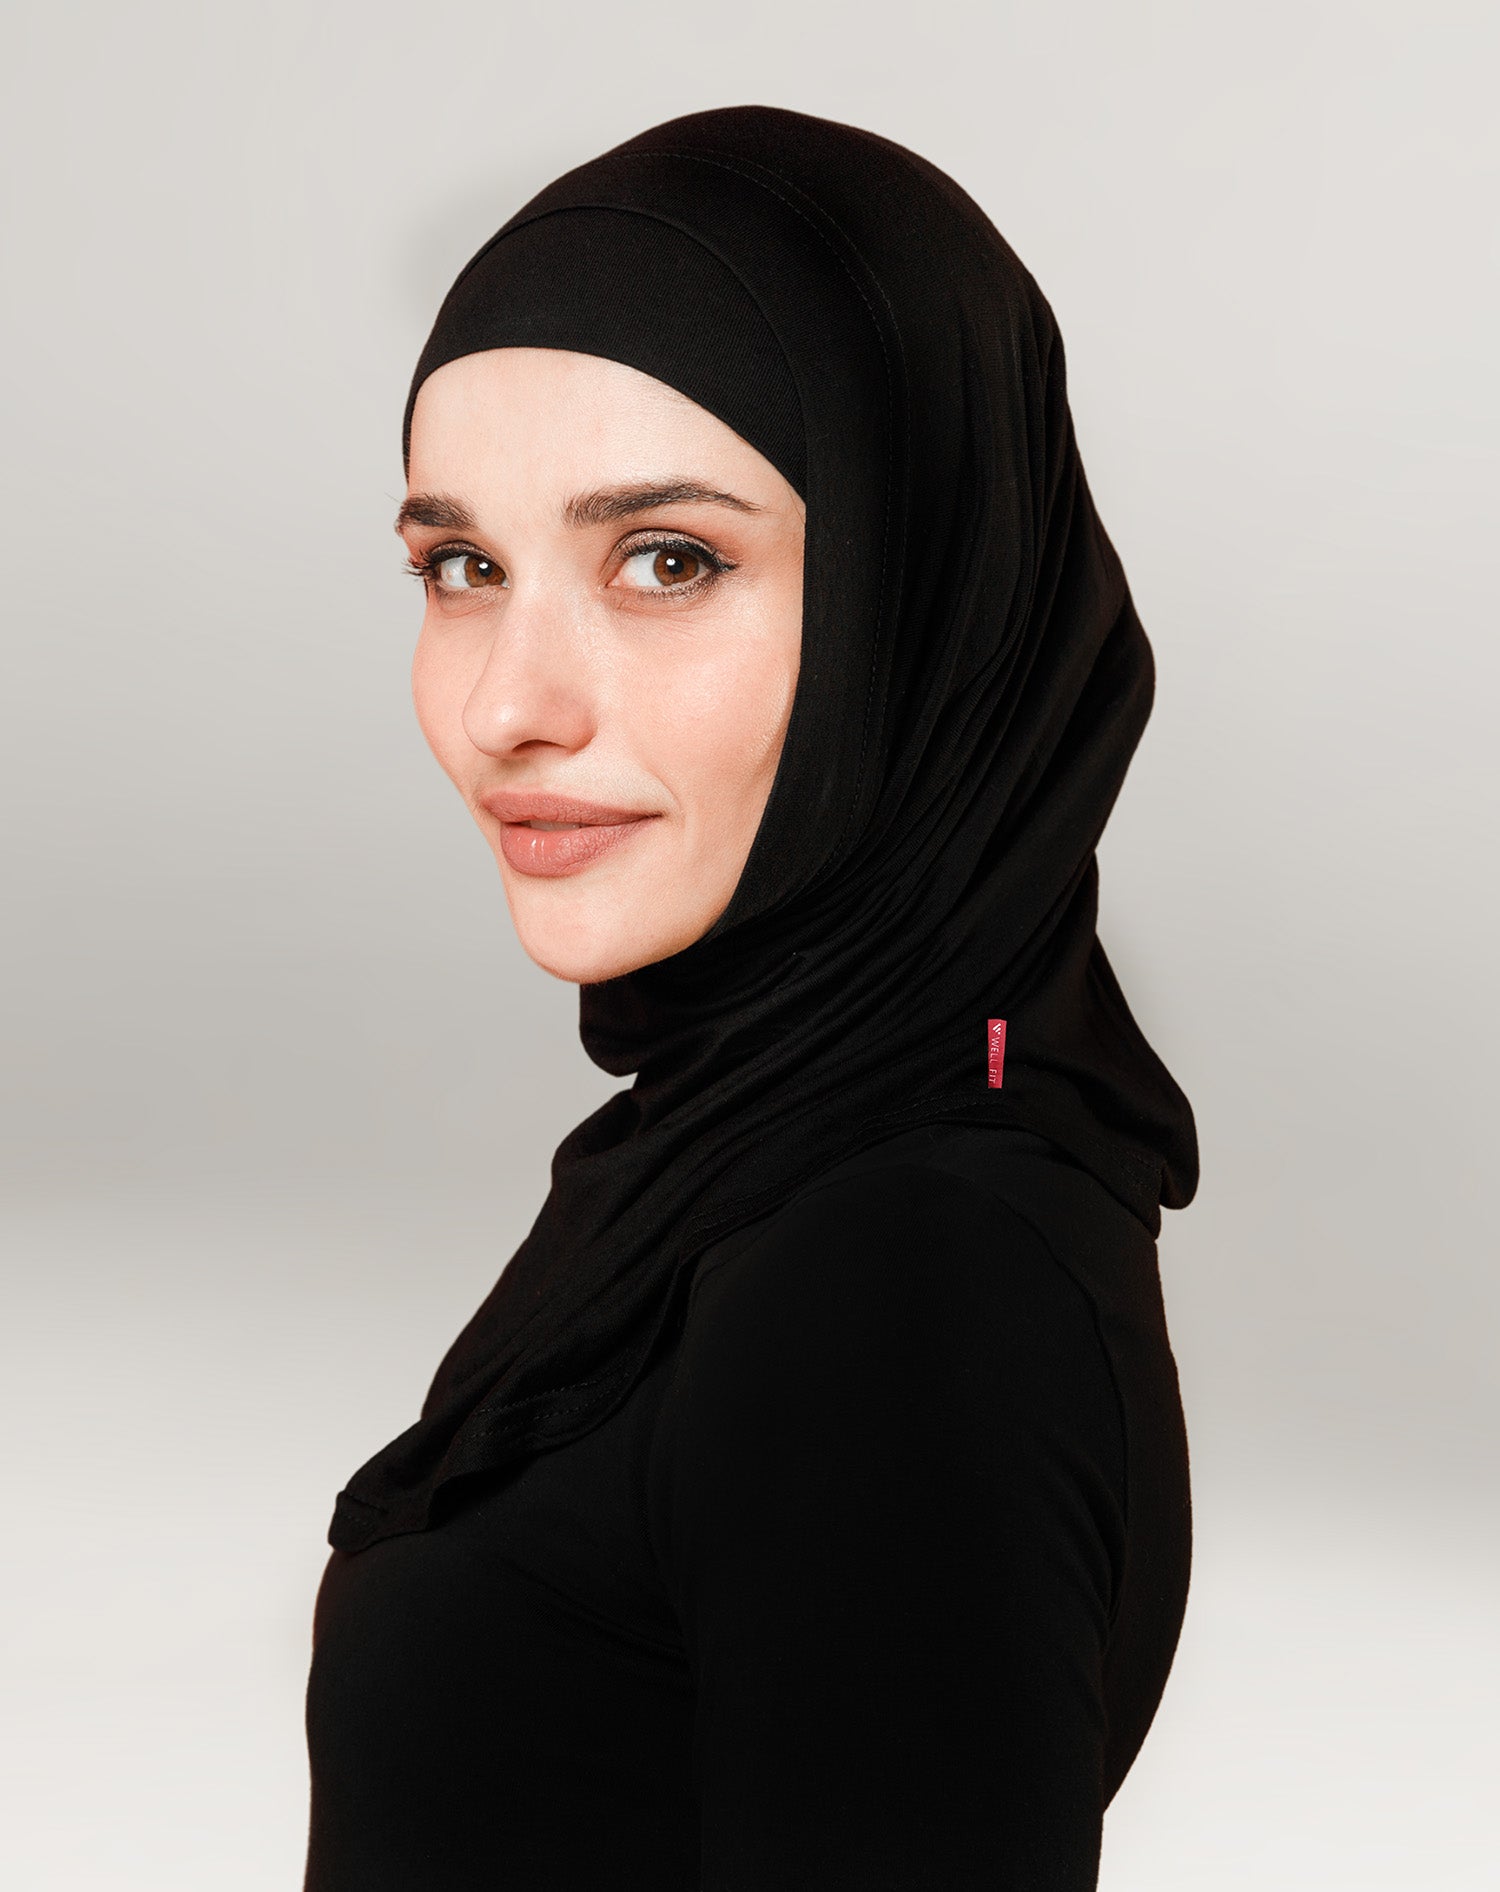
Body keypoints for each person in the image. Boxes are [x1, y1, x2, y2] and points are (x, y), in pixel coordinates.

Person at [303, 104, 1200, 1891]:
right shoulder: (749, 1158)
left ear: (922, 601)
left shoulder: (900, 1285)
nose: (506, 708)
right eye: (462, 568)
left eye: (667, 560)